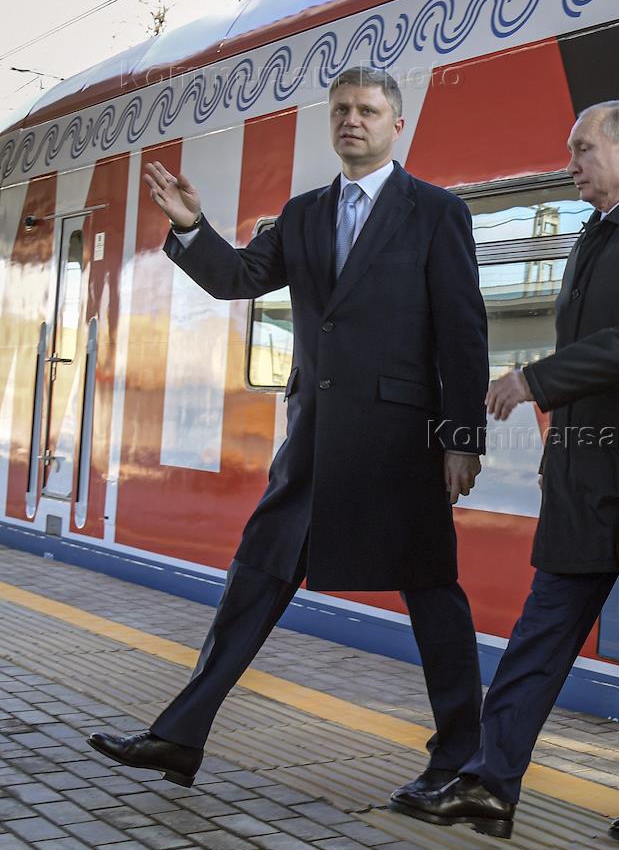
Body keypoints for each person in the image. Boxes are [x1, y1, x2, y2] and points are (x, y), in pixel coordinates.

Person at [86, 67, 489, 793]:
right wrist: (189, 226)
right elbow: (238, 276)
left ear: (397, 124)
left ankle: (462, 757)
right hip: (314, 441)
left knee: (432, 591)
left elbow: (463, 332)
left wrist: (462, 437)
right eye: (341, 110)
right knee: (256, 575)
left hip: (402, 442)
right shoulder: (302, 213)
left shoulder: (436, 212)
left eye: (367, 110)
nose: (352, 121)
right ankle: (180, 736)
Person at [390, 100, 619, 844]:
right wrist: (560, 448)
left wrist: (537, 380)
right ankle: (489, 782)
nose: (570, 162)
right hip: (586, 476)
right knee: (539, 635)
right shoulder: (592, 238)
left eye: (581, 149)